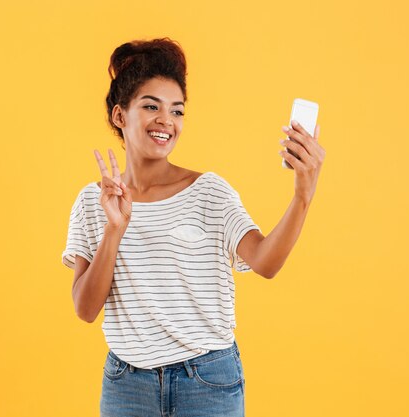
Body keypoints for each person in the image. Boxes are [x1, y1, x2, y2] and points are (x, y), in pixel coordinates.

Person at [62, 37, 325, 417]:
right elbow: (85, 310)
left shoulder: (209, 192)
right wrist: (114, 229)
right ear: (120, 116)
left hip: (206, 382)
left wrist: (302, 197)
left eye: (177, 111)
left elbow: (266, 262)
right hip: (126, 386)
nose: (166, 121)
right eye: (151, 106)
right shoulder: (94, 201)